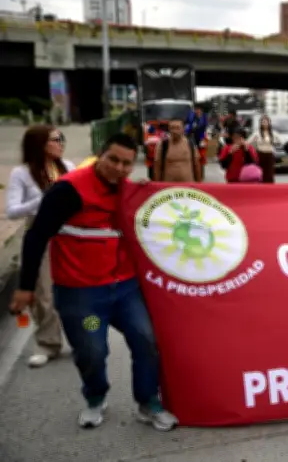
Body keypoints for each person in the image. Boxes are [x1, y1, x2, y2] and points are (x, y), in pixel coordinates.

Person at [7, 133, 178, 431]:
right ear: (100, 155)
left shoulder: (128, 191)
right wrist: (26, 287)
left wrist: (147, 193)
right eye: (113, 160)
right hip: (83, 298)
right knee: (93, 351)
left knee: (146, 340)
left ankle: (149, 401)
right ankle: (96, 397)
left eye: (126, 164)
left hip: (125, 291)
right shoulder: (68, 191)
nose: (119, 168)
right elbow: (36, 237)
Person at [5, 126, 74, 368]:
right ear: (41, 144)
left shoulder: (69, 167)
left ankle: (84, 338)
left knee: (76, 293)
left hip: (69, 235)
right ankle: (48, 343)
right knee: (43, 294)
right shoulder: (22, 173)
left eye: (61, 138)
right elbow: (12, 211)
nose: (61, 143)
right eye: (55, 139)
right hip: (39, 235)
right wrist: (44, 197)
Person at [153, 118, 201, 182]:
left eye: (177, 128)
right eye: (172, 128)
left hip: (188, 185)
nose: (174, 131)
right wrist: (157, 184)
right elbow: (157, 166)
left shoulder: (190, 144)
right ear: (169, 129)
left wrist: (199, 183)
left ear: (183, 129)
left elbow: (196, 164)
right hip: (168, 185)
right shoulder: (163, 144)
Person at [246, 116, 276, 183]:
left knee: (269, 174)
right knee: (260, 173)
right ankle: (261, 187)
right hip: (260, 155)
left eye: (266, 122)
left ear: (269, 123)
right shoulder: (257, 133)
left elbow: (282, 141)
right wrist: (252, 149)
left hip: (270, 155)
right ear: (261, 123)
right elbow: (248, 142)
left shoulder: (273, 133)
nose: (265, 123)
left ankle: (270, 188)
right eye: (263, 122)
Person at [185, 106, 208, 179]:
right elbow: (187, 125)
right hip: (191, 138)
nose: (198, 111)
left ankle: (200, 174)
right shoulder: (191, 116)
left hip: (200, 138)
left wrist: (202, 139)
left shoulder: (203, 117)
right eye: (196, 110)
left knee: (201, 156)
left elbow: (204, 127)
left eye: (199, 110)